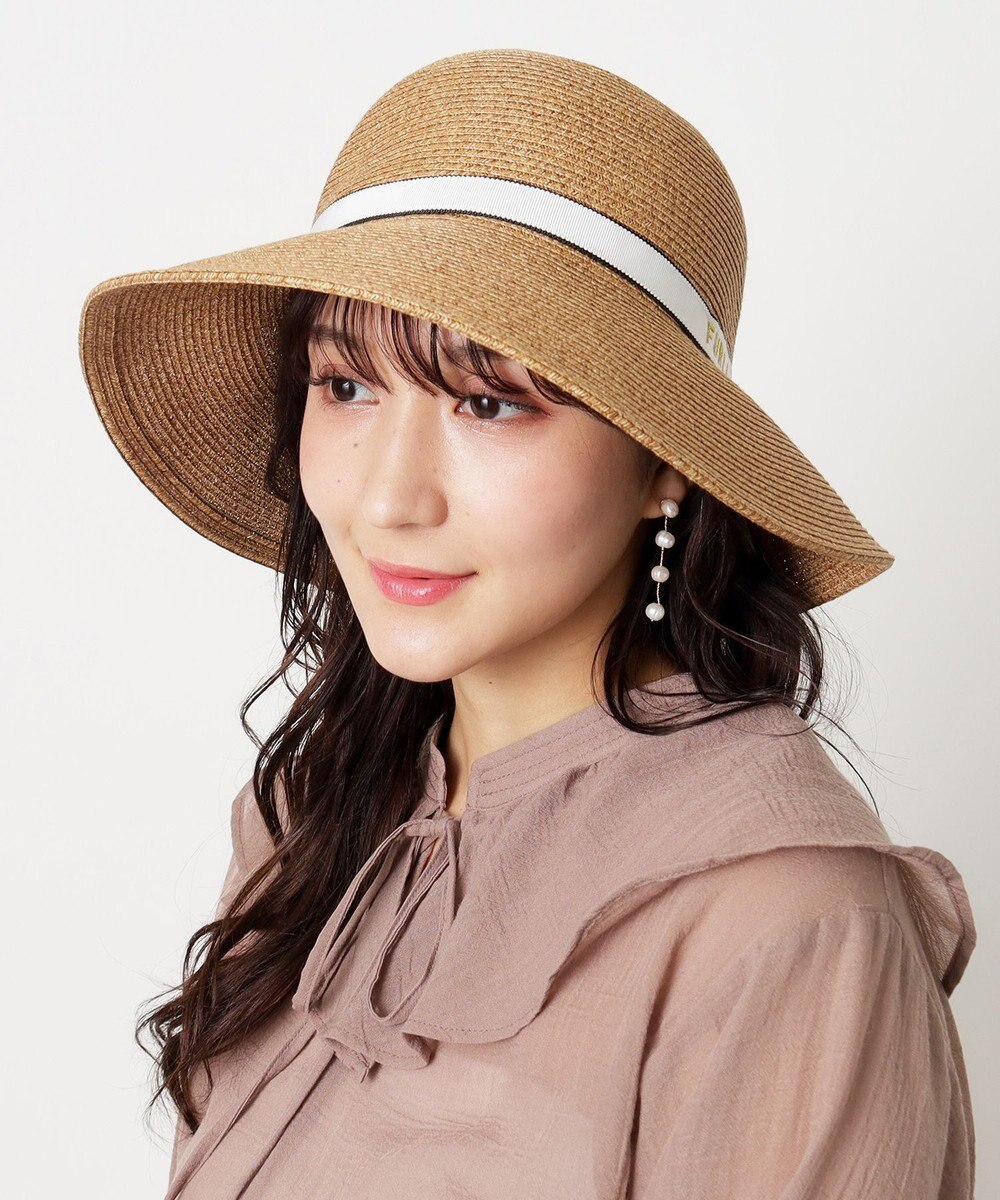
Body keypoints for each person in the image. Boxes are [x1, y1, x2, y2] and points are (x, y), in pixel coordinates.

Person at [77, 47, 976, 1200]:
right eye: (345, 386)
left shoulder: (785, 919)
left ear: (665, 460)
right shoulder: (313, 811)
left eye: (490, 401)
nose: (390, 498)